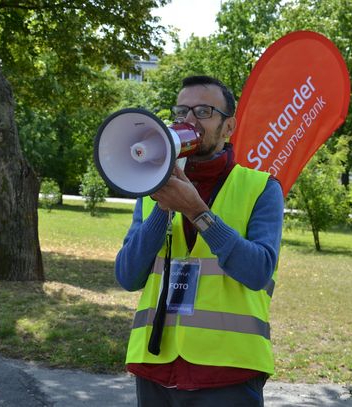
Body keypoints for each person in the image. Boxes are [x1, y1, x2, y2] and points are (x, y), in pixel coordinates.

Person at [115, 75, 284, 406]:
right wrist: (162, 209)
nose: (188, 121)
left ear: (228, 127)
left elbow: (258, 271)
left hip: (228, 371)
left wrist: (197, 212)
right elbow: (127, 275)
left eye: (203, 111)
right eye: (180, 112)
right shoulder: (153, 188)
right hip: (156, 367)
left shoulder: (261, 188)